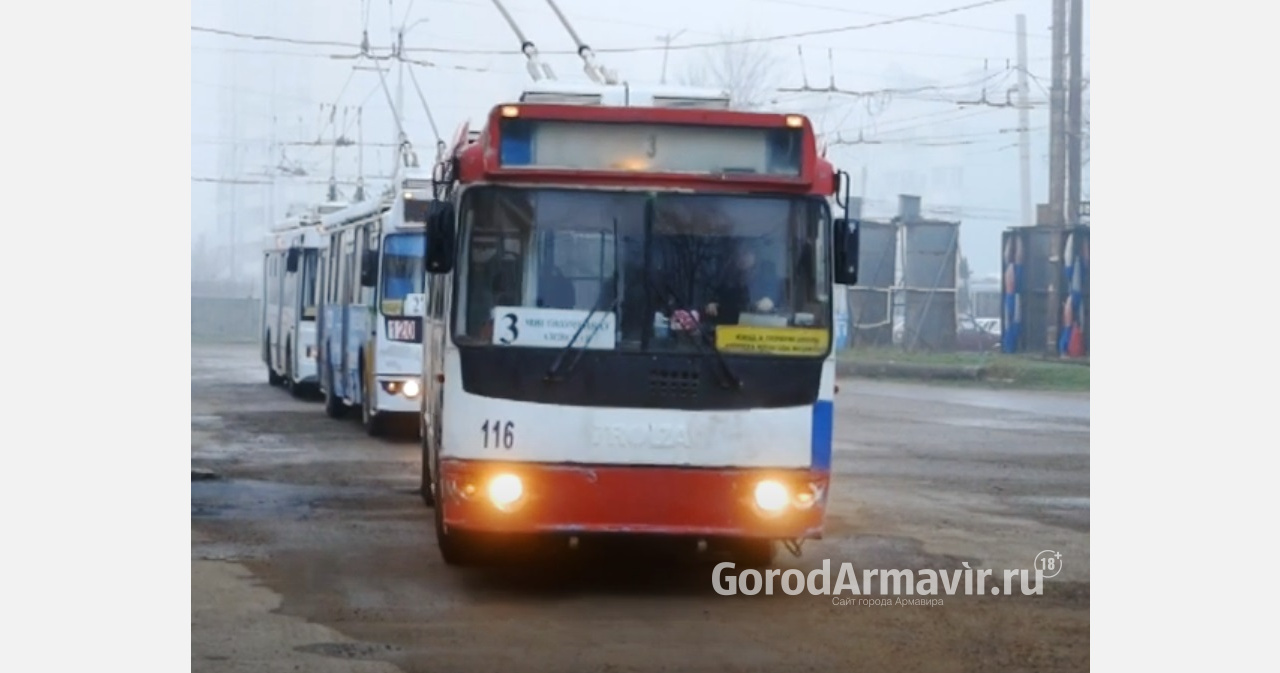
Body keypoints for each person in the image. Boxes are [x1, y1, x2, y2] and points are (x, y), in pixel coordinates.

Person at [704, 246, 783, 325]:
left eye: (746, 253)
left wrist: (770, 301)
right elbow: (715, 297)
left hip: (759, 326)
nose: (743, 257)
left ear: (754, 256)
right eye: (740, 254)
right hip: (729, 325)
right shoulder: (727, 279)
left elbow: (777, 298)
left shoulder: (764, 278)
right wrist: (712, 304)